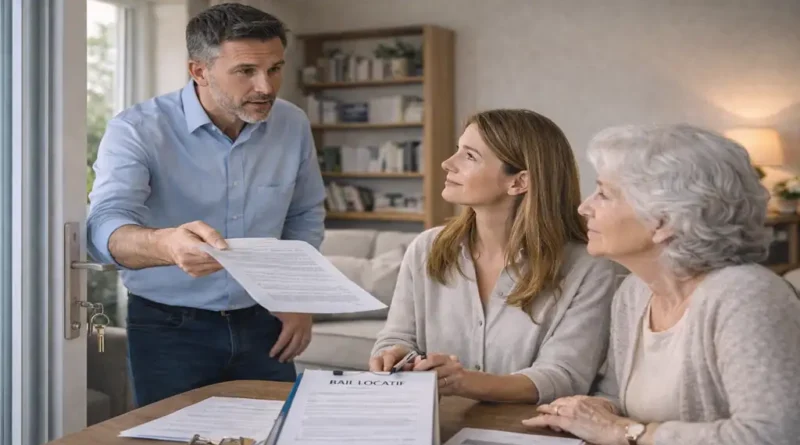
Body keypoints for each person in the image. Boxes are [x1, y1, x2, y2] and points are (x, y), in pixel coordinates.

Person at [86, 3, 325, 407]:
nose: (266, 87)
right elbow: (103, 228)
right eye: (246, 71)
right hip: (169, 328)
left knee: (278, 432)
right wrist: (167, 245)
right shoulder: (137, 130)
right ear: (199, 71)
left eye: (275, 68)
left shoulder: (292, 123)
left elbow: (304, 214)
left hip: (265, 321)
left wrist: (295, 297)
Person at [523, 124, 800, 445]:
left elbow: (775, 434)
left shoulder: (747, 296)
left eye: (603, 193)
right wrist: (592, 408)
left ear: (664, 221)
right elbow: (617, 394)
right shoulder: (635, 292)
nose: (584, 208)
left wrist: (622, 432)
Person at [369, 109, 618, 404]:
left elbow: (563, 376)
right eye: (458, 150)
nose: (447, 163)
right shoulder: (426, 249)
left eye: (470, 156)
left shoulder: (590, 268)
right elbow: (396, 337)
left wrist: (466, 382)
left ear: (519, 182)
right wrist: (393, 353)